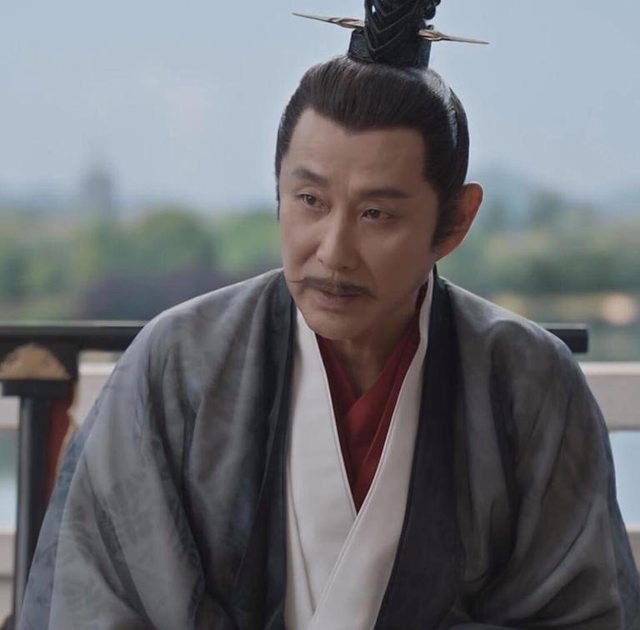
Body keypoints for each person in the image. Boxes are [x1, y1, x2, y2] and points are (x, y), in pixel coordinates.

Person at [19, 1, 640, 628]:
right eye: (310, 200)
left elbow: (584, 612)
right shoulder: (175, 362)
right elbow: (94, 598)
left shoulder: (529, 381)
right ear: (278, 191)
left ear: (454, 221)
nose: (334, 252)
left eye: (377, 214)